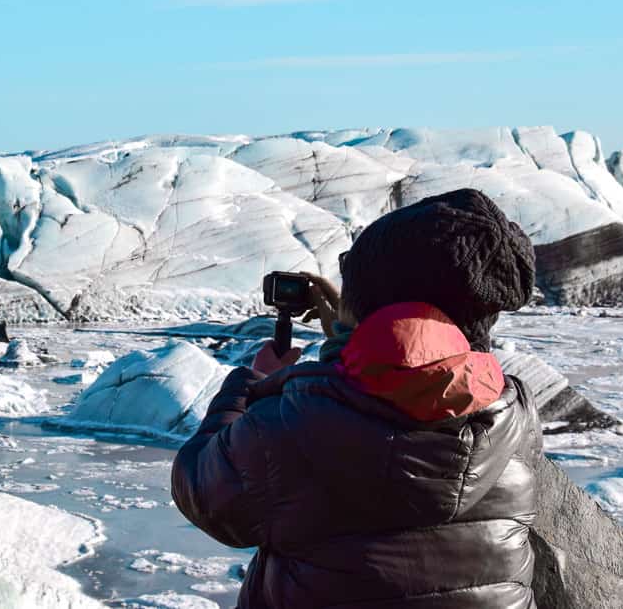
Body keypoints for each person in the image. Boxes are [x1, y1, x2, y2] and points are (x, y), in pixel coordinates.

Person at [171, 188, 543, 608]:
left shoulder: (294, 423)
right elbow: (426, 375)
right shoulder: (512, 410)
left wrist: (250, 386)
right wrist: (354, 340)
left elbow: (203, 492)